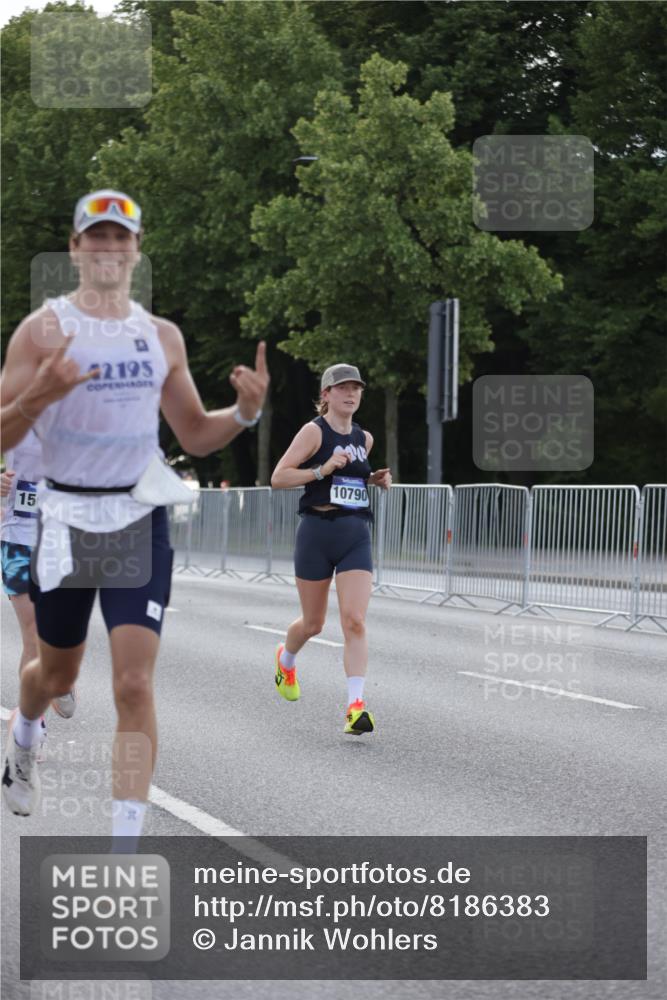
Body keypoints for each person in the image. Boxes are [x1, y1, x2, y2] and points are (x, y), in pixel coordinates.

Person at [0, 189, 269, 843]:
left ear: (137, 250)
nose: (109, 248)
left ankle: (124, 850)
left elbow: (195, 436)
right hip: (63, 520)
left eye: (121, 237)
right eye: (96, 236)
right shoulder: (41, 331)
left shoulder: (160, 337)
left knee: (132, 683)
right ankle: (24, 739)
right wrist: (41, 392)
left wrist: (244, 413)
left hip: (134, 519)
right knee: (54, 673)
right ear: (74, 248)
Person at [270, 364, 391, 735]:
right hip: (317, 533)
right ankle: (285, 659)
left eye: (356, 388)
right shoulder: (313, 432)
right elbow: (279, 478)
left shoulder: (364, 438)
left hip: (355, 533)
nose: (350, 394)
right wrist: (321, 470)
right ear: (326, 395)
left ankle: (355, 708)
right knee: (313, 623)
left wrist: (373, 479)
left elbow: (350, 479)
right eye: (342, 389)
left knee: (354, 620)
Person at [1, 430, 76, 720]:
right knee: (33, 634)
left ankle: (62, 675)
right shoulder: (12, 406)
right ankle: (30, 729)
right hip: (19, 536)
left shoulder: (79, 410)